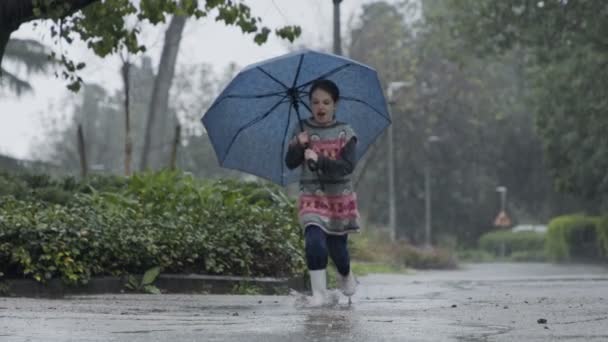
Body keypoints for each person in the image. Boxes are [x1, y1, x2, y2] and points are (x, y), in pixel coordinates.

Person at [285, 79, 359, 306]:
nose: (320, 107)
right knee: (314, 241)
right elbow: (290, 163)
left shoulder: (346, 133)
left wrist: (320, 159)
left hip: (339, 198)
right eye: (315, 102)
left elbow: (346, 167)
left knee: (338, 252)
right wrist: (298, 145)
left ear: (335, 104)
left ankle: (346, 274)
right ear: (309, 104)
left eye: (326, 102)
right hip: (311, 197)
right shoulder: (302, 130)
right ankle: (319, 294)